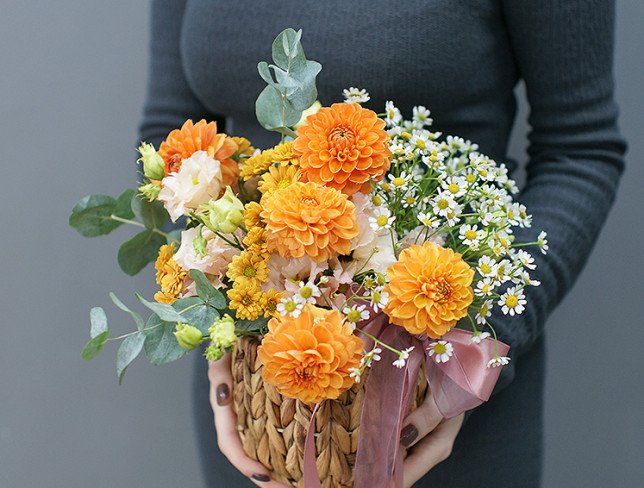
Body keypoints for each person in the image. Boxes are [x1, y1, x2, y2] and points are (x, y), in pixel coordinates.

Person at [139, 1, 626, 486]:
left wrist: (473, 351)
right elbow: (170, 138)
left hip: (441, 410)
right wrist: (215, 308)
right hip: (258, 403)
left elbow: (579, 148)